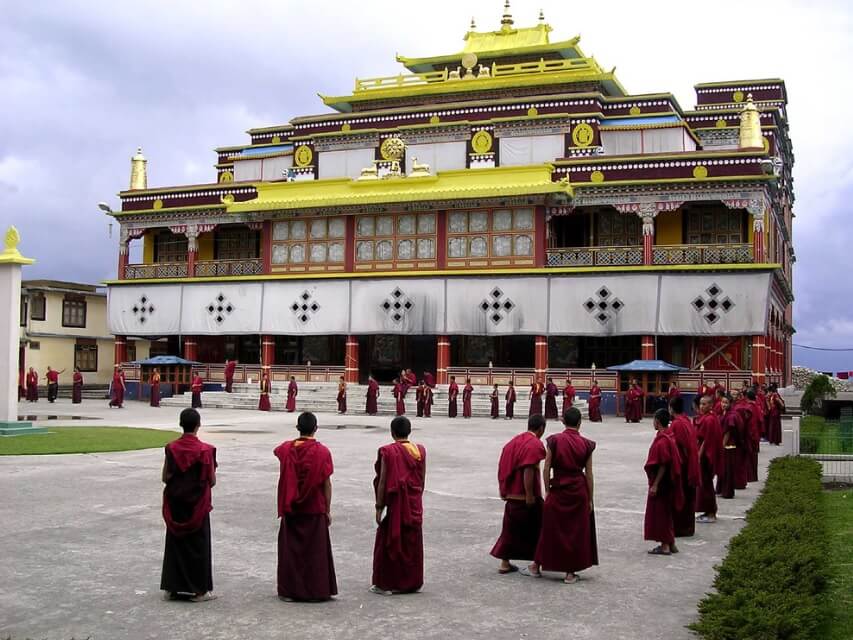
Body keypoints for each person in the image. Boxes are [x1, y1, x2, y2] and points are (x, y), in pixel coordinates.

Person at [524, 407, 598, 584]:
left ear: (563, 421)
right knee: (575, 531)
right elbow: (589, 473)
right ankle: (570, 572)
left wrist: (548, 489)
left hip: (558, 487)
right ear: (580, 423)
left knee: (550, 529)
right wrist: (590, 499)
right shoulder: (587, 444)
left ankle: (536, 566)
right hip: (578, 490)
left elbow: (547, 466)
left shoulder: (554, 440)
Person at [274, 412, 337, 602]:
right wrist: (327, 510)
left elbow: (277, 450)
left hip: (291, 506)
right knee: (314, 551)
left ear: (297, 428)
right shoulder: (322, 452)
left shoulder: (287, 449)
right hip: (314, 507)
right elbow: (326, 483)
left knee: (291, 550)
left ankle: (290, 591)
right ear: (316, 429)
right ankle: (316, 591)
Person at [160, 408, 217, 602]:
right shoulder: (206, 450)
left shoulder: (171, 448)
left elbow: (164, 477)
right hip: (197, 505)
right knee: (198, 544)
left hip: (176, 503)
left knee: (175, 544)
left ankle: (172, 587)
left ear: (180, 424)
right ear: (198, 425)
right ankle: (199, 590)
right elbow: (211, 480)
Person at [371, 416, 426, 596]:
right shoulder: (420, 451)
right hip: (413, 501)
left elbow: (383, 480)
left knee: (390, 542)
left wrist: (379, 506)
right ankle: (412, 582)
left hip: (395, 504)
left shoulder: (388, 451)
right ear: (409, 432)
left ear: (392, 433)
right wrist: (416, 497)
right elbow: (422, 479)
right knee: (411, 541)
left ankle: (387, 583)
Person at [490, 414, 547, 575]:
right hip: (526, 496)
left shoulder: (512, 443)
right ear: (541, 428)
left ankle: (505, 562)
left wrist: (503, 489)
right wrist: (529, 495)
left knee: (510, 530)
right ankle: (537, 563)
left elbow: (502, 466)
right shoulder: (534, 444)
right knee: (540, 528)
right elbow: (528, 469)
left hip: (511, 495)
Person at [644, 409, 684, 556]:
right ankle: (671, 542)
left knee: (660, 514)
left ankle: (665, 545)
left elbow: (663, 463)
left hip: (662, 483)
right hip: (668, 482)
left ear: (657, 421)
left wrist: (655, 484)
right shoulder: (669, 436)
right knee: (666, 512)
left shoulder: (663, 441)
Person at [667, 397, 701, 538]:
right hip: (690, 462)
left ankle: (680, 529)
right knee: (688, 497)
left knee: (681, 497)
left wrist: (682, 464)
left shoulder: (676, 424)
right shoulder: (686, 421)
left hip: (683, 465)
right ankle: (688, 527)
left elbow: (681, 447)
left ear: (671, 408)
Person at [694, 395, 723, 524]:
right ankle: (707, 511)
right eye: (700, 404)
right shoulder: (706, 418)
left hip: (706, 456)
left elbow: (707, 440)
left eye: (705, 404)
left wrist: (699, 456)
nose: (702, 406)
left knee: (706, 485)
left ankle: (711, 513)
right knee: (704, 485)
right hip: (703, 454)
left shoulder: (710, 420)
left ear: (711, 405)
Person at [717, 395, 741, 499]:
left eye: (726, 402)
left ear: (731, 404)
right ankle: (721, 489)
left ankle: (727, 492)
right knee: (722, 468)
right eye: (722, 402)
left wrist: (722, 446)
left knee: (727, 469)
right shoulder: (723, 413)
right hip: (723, 443)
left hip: (729, 445)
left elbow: (728, 432)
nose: (723, 404)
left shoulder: (731, 416)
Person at [730, 390, 751, 490]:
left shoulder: (741, 408)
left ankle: (740, 482)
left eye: (735, 394)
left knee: (739, 461)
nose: (733, 396)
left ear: (739, 396)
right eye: (731, 394)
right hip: (734, 438)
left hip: (739, 438)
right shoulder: (732, 407)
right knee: (734, 462)